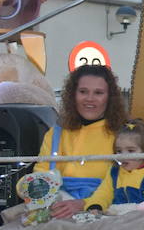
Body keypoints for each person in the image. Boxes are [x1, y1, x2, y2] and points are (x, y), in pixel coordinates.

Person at [41, 64, 128, 218]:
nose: (90, 99)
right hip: (57, 207)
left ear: (110, 97)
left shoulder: (125, 133)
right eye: (83, 92)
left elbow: (131, 181)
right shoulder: (56, 132)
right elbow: (41, 174)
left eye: (98, 93)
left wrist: (85, 203)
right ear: (73, 94)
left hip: (106, 210)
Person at [79, 119, 144, 212]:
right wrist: (95, 206)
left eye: (130, 150)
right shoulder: (114, 172)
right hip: (116, 220)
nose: (123, 156)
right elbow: (103, 194)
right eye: (119, 151)